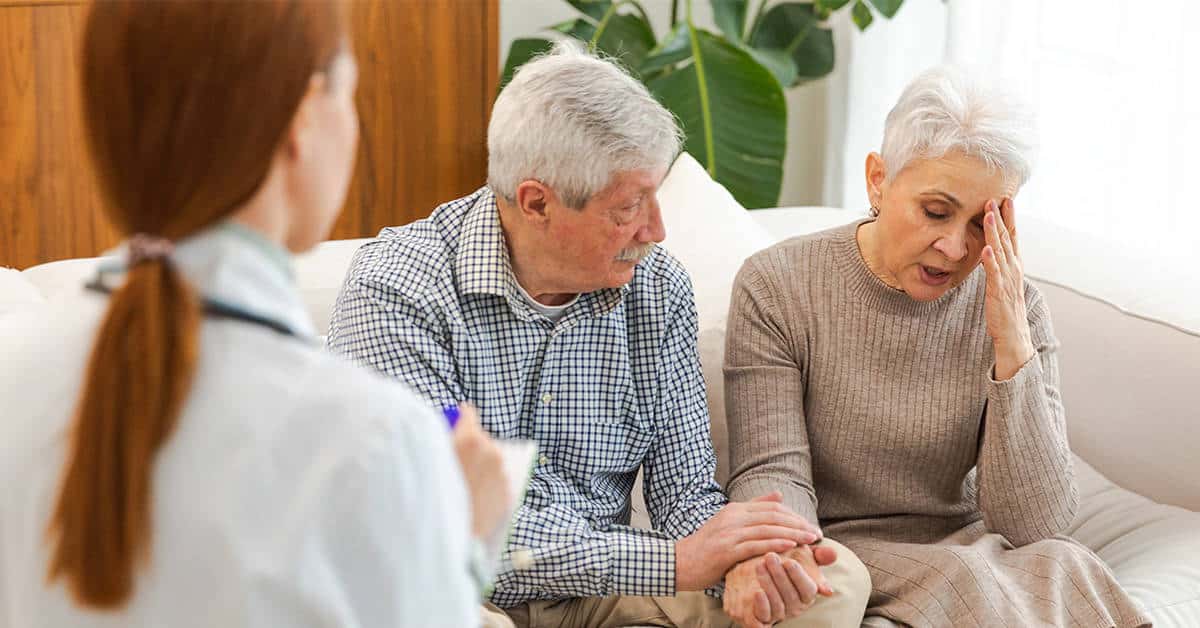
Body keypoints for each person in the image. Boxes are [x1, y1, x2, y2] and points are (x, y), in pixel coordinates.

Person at [326, 43, 872, 628]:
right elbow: (450, 525)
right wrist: (672, 563)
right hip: (455, 586)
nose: (657, 230)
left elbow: (686, 492)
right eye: (631, 205)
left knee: (828, 580)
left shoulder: (656, 288)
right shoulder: (399, 292)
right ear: (537, 203)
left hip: (606, 587)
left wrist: (744, 564)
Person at [0, 2, 508, 626]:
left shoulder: (14, 380)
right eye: (351, 92)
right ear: (303, 116)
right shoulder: (371, 441)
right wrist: (466, 542)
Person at [724, 65, 1151, 627]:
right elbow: (770, 469)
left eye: (983, 223)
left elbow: (1037, 525)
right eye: (936, 211)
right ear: (878, 179)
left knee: (1067, 563)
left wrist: (1012, 347)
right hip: (839, 545)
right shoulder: (778, 283)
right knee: (966, 574)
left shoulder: (1016, 308)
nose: (954, 247)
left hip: (968, 545)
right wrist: (791, 556)